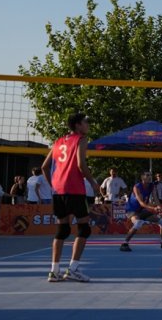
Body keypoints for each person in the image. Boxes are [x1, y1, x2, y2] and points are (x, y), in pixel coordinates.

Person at [42, 112, 100, 283]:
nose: (88, 125)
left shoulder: (58, 141)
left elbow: (45, 167)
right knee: (84, 229)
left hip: (58, 190)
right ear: (77, 125)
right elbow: (81, 164)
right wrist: (93, 182)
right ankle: (73, 269)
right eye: (85, 122)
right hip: (74, 189)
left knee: (63, 230)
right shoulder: (81, 139)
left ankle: (54, 271)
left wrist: (53, 184)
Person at [119, 172, 162, 251]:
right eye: (147, 175)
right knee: (138, 223)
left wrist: (159, 208)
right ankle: (124, 244)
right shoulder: (137, 187)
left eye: (150, 175)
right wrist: (154, 209)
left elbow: (155, 198)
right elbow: (141, 203)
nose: (150, 177)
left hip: (142, 210)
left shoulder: (152, 186)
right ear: (142, 177)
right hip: (132, 210)